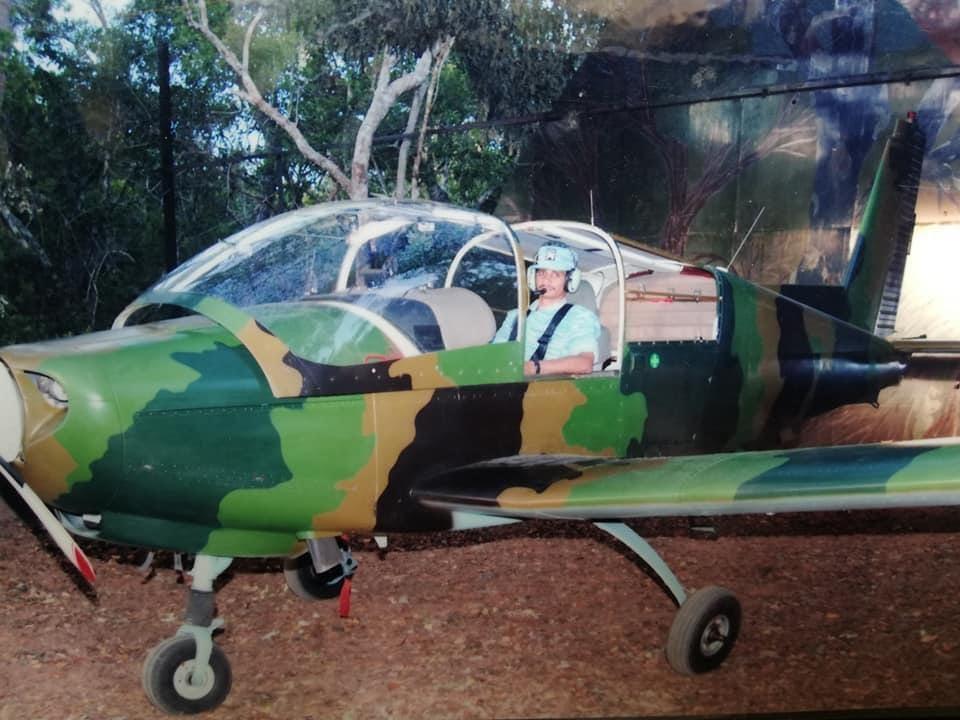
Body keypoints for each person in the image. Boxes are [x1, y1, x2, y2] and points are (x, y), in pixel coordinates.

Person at [493, 242, 601, 376]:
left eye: (555, 274)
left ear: (570, 280)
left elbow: (584, 363)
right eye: (542, 273)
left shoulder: (580, 317)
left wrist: (533, 368)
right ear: (532, 277)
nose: (546, 280)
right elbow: (494, 356)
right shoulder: (515, 316)